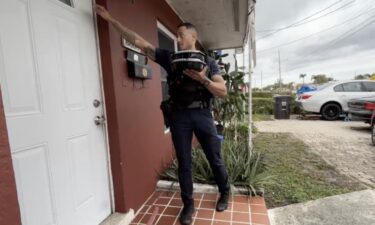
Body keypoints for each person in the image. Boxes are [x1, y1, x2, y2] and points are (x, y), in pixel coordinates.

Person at [95, 5, 230, 225]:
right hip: (179, 117)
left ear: (193, 36)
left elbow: (223, 91)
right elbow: (139, 42)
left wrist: (202, 80)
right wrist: (111, 18)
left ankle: (225, 192)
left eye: (181, 35)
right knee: (184, 162)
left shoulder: (208, 62)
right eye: (176, 35)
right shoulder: (170, 58)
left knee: (214, 157)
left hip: (203, 114)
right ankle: (188, 206)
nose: (177, 38)